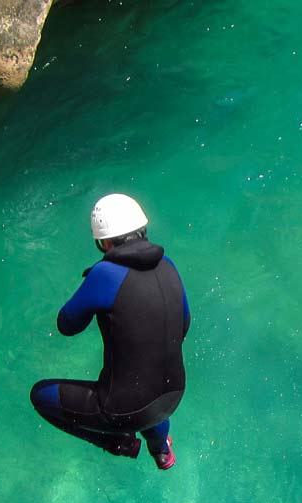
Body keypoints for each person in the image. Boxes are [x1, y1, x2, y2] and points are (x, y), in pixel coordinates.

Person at [30, 194, 189, 470]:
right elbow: (184, 325)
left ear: (104, 242)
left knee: (40, 395)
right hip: (174, 395)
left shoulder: (105, 274)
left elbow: (67, 325)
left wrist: (94, 285)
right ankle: (162, 451)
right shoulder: (169, 265)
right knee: (147, 388)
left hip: (123, 410)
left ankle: (122, 444)